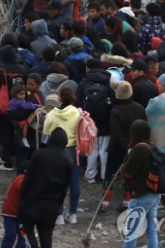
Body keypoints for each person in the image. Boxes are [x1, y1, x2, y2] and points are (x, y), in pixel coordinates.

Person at [19, 127, 73, 248]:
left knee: (26, 229)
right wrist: (58, 204)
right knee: (46, 235)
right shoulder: (68, 160)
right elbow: (65, 187)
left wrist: (22, 195)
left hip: (33, 202)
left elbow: (28, 177)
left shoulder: (39, 154)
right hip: (52, 205)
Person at [100, 81, 147, 213]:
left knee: (110, 175)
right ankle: (126, 202)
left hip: (117, 149)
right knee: (130, 175)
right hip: (136, 148)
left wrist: (125, 146)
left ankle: (104, 203)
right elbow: (144, 128)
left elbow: (116, 132)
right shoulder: (140, 108)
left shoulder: (115, 111)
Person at [43, 88, 80, 225]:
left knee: (57, 183)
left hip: (56, 151)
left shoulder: (52, 114)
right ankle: (73, 214)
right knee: (74, 182)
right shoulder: (76, 112)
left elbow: (46, 131)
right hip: (72, 150)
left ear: (60, 99)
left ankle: (59, 215)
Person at [121, 120, 161, 248]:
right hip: (154, 194)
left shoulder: (138, 151)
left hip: (140, 196)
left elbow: (127, 173)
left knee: (131, 233)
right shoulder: (153, 146)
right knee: (151, 230)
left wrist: (128, 155)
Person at [75, 59, 115, 184]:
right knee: (104, 150)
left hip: (88, 121)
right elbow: (113, 100)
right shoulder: (107, 81)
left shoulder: (84, 82)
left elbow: (77, 103)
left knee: (91, 149)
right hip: (105, 121)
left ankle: (90, 176)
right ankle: (104, 175)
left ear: (88, 68)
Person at [0, 44, 29, 170]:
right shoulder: (23, 68)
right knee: (17, 131)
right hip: (20, 105)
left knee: (5, 132)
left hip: (5, 105)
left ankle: (7, 160)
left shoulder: (2, 68)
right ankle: (14, 155)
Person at [0, 160, 30, 248]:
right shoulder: (20, 178)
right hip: (11, 212)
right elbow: (22, 187)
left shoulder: (21, 178)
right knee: (10, 234)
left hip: (20, 213)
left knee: (23, 235)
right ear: (26, 170)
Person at [8, 84, 40, 149]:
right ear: (15, 94)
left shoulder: (14, 99)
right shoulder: (19, 101)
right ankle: (24, 138)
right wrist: (36, 106)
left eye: (23, 94)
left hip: (11, 115)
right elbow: (26, 106)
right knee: (25, 124)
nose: (22, 96)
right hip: (15, 117)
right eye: (21, 94)